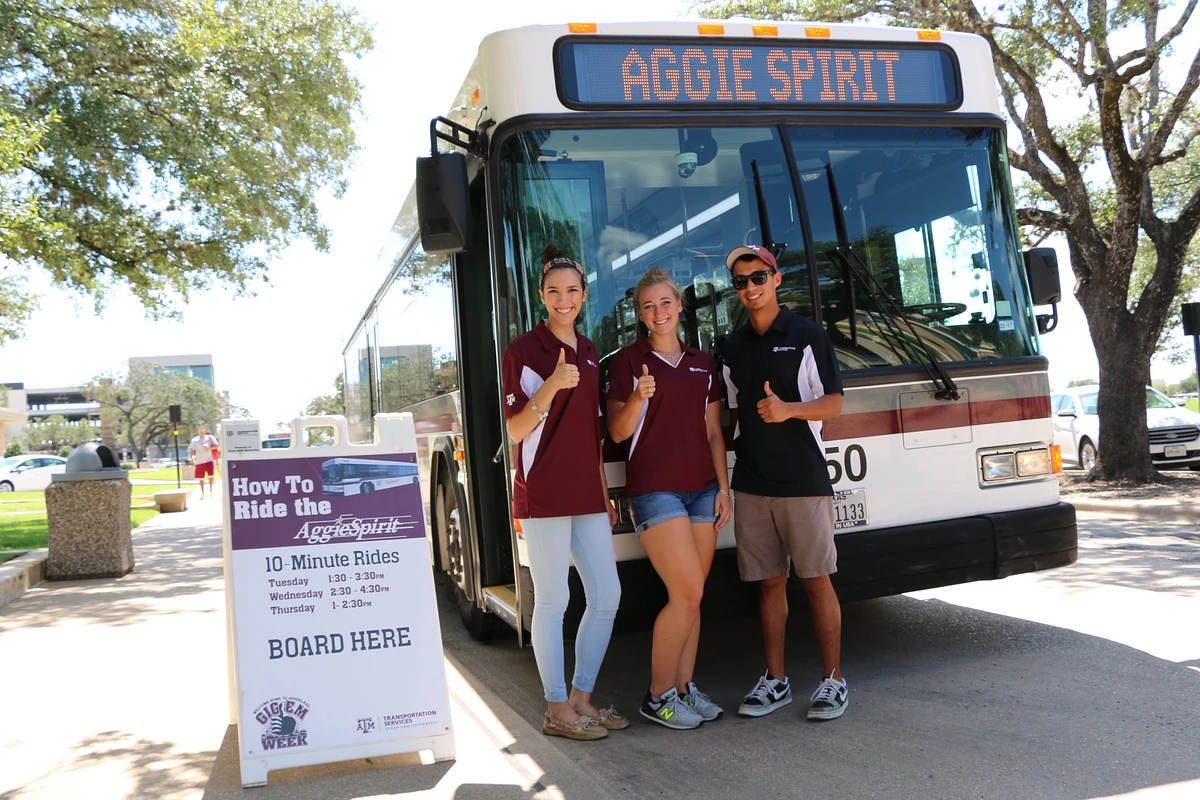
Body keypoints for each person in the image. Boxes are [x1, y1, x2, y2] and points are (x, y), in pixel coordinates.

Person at [501, 244, 625, 741]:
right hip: (545, 492)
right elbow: (514, 429)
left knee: (608, 596)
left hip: (586, 494)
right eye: (554, 291)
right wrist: (551, 385)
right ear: (542, 296)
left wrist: (603, 491)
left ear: (584, 294)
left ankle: (581, 698)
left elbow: (593, 433)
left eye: (572, 290)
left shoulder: (592, 350)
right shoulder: (523, 351)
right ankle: (555, 708)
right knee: (553, 600)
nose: (564, 299)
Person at [720, 245, 849, 721]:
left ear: (776, 279)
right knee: (769, 585)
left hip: (803, 481)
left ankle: (833, 681)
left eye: (757, 278)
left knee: (817, 582)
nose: (749, 288)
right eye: (740, 282)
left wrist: (789, 409)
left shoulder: (807, 335)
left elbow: (834, 403)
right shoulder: (731, 347)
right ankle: (775, 681)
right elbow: (730, 415)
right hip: (752, 484)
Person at [606, 268, 731, 730]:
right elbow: (618, 432)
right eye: (647, 306)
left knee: (692, 598)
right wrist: (638, 397)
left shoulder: (702, 362)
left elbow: (714, 432)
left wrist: (724, 488)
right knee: (687, 591)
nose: (657, 313)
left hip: (703, 489)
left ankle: (682, 689)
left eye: (665, 303)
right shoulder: (626, 363)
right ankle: (656, 695)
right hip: (654, 490)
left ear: (680, 306)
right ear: (639, 315)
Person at [188, 425, 218, 498]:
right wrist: (191, 458)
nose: (201, 431)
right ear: (197, 431)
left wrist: (209, 448)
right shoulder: (195, 440)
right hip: (199, 461)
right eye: (199, 429)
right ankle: (202, 492)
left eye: (202, 429)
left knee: (211, 476)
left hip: (209, 460)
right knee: (201, 478)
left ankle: (211, 490)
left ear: (205, 430)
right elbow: (191, 449)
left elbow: (216, 446)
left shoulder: (210, 438)